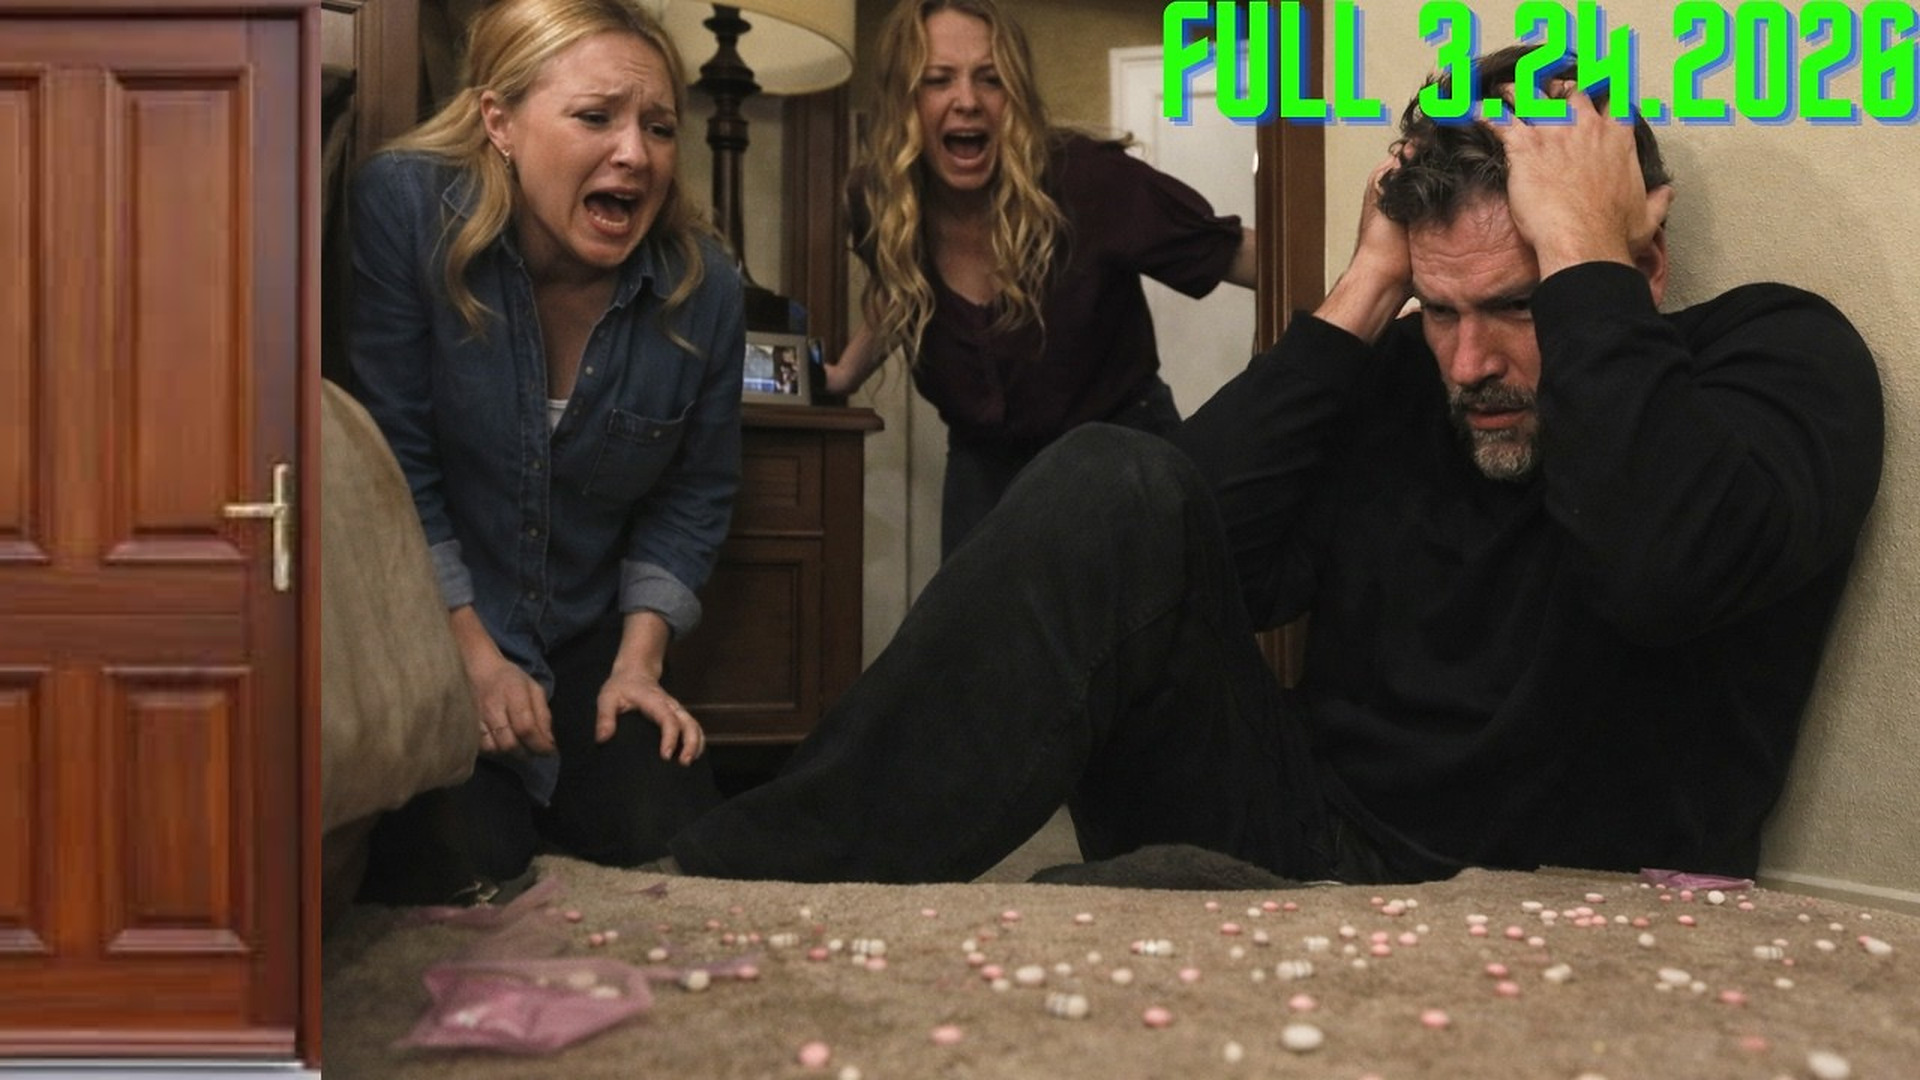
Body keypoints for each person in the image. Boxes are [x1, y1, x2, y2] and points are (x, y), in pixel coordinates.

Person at [664, 47, 1884, 885]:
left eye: (1519, 304)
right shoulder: (1405, 380)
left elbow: (1660, 569)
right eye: (1440, 308)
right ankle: (754, 883)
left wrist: (1580, 256)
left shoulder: (1776, 361)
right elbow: (1190, 553)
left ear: (1639, 261)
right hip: (1305, 842)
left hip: (1570, 897)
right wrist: (1364, 293)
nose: (1469, 364)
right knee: (1111, 475)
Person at [347, 0, 744, 896]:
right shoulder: (403, 207)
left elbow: (694, 497)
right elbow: (393, 465)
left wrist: (638, 665)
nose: (634, 154)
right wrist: (472, 659)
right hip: (440, 628)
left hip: (584, 634)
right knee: (456, 861)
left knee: (670, 838)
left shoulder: (706, 287)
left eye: (658, 127)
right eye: (595, 117)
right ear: (500, 121)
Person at [828, 0, 1259, 560]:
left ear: (1015, 96)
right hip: (983, 471)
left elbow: (1240, 253)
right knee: (978, 619)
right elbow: (899, 289)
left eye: (991, 79)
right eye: (938, 80)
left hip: (1117, 455)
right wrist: (845, 373)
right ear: (903, 99)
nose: (967, 100)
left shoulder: (1089, 181)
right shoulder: (879, 201)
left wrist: (1360, 293)